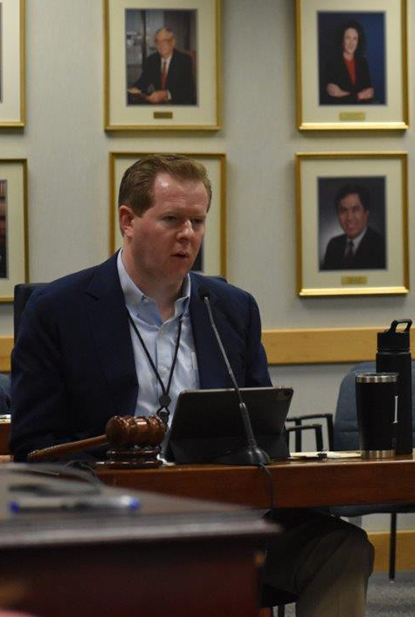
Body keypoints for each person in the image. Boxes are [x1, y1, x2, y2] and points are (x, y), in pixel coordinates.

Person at [9, 155, 373, 617]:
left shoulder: (231, 309)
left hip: (229, 523)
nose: (188, 235)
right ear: (128, 220)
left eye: (197, 221)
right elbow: (33, 449)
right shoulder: (58, 311)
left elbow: (263, 430)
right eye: (171, 219)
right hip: (111, 531)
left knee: (341, 548)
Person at [321, 183, 386, 270]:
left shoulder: (382, 246)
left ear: (366, 214)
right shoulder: (333, 245)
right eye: (343, 210)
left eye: (355, 209)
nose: (349, 217)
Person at [128, 27, 197, 105]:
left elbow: (188, 90)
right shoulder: (151, 60)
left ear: (173, 42)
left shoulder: (184, 60)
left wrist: (166, 94)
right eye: (157, 41)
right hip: (157, 105)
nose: (160, 45)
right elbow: (142, 82)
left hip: (179, 104)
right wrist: (135, 88)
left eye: (165, 41)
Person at [321, 20, 374, 105]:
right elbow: (332, 99)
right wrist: (360, 96)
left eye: (355, 39)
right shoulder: (332, 63)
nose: (351, 43)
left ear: (358, 41)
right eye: (348, 38)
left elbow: (370, 94)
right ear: (342, 40)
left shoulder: (362, 62)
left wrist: (341, 93)